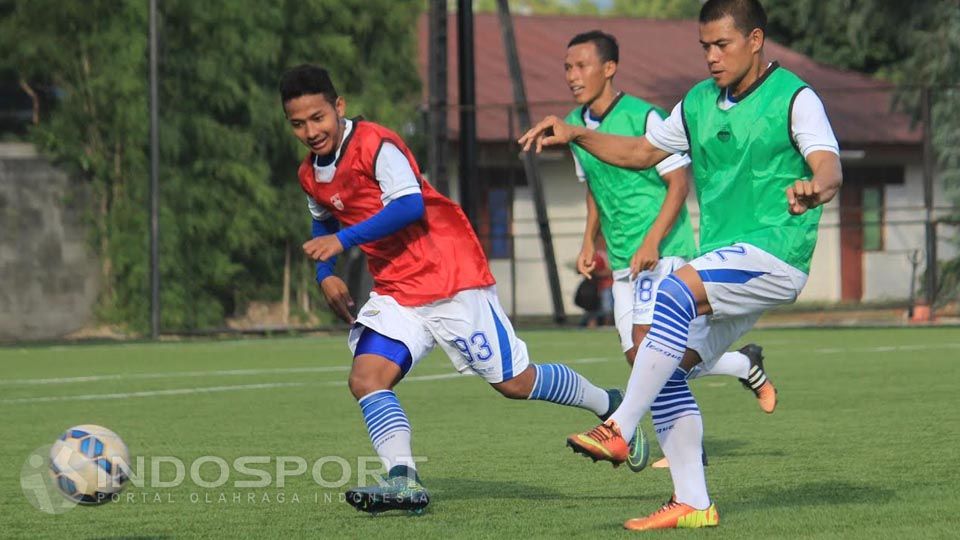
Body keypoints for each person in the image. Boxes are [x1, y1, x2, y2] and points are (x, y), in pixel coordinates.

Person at [520, 0, 843, 530]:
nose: (712, 57)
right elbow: (640, 153)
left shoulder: (795, 98)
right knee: (665, 366)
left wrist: (816, 187)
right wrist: (577, 134)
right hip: (724, 259)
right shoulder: (696, 103)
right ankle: (693, 501)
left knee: (672, 292)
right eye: (705, 47)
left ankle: (620, 424)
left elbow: (828, 166)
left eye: (723, 44)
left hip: (776, 250)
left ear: (755, 40)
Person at [280, 64, 631, 516]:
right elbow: (323, 218)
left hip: (449, 276)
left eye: (318, 118)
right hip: (397, 290)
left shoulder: (376, 145)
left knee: (515, 383)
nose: (310, 131)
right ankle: (404, 479)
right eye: (298, 124)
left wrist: (343, 242)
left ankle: (611, 405)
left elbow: (407, 206)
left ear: (338, 108)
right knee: (366, 379)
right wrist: (324, 272)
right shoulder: (310, 174)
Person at [564, 30, 778, 470]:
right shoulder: (576, 127)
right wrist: (589, 240)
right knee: (643, 358)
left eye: (582, 65)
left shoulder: (646, 119)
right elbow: (595, 191)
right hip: (623, 259)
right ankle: (743, 364)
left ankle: (676, 449)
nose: (573, 75)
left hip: (662, 252)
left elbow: (679, 183)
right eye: (568, 67)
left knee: (652, 351)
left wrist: (652, 241)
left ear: (609, 69)